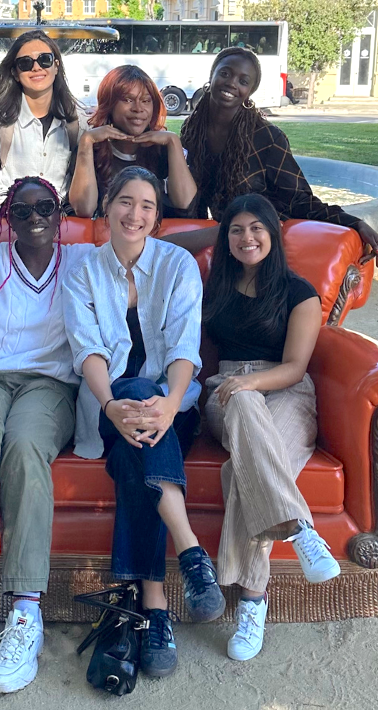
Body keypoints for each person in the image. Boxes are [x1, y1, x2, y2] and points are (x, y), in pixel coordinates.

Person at [63, 166, 225, 679]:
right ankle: (191, 552)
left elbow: (183, 345)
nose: (136, 214)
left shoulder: (178, 265)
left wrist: (172, 401)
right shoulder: (81, 269)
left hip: (172, 410)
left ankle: (155, 608)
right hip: (107, 409)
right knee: (133, 393)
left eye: (148, 206)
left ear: (158, 217)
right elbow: (86, 347)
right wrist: (112, 405)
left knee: (140, 441)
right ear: (106, 208)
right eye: (126, 202)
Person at [0, 176, 94, 693]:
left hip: (50, 385)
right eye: (22, 209)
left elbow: (147, 239)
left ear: (59, 213)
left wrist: (225, 225)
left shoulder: (79, 260)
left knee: (26, 447)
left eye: (45, 208)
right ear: (6, 215)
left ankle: (25, 614)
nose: (35, 218)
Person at [200, 193, 342, 662]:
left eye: (256, 228)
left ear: (273, 234)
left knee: (243, 473)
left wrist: (250, 382)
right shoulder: (213, 285)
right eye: (236, 229)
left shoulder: (298, 292)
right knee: (241, 404)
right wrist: (240, 385)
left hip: (285, 388)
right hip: (227, 390)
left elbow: (296, 367)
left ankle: (252, 602)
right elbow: (174, 244)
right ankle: (300, 529)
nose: (247, 237)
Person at [179, 47, 378, 265]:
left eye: (243, 81)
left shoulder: (266, 137)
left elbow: (300, 199)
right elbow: (190, 195)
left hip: (257, 241)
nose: (232, 83)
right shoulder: (193, 129)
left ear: (250, 91)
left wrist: (355, 223)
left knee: (165, 245)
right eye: (226, 73)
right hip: (218, 238)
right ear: (212, 75)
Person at [0, 29, 87, 212]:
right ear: (14, 73)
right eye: (25, 63)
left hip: (62, 230)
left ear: (56, 65)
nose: (36, 68)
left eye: (45, 60)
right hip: (14, 230)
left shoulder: (77, 122)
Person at [69, 64, 196, 219]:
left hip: (159, 239)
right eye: (128, 100)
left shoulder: (165, 149)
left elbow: (185, 203)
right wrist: (86, 141)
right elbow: (84, 209)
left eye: (146, 101)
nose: (138, 108)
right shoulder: (92, 149)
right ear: (109, 104)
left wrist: (173, 141)